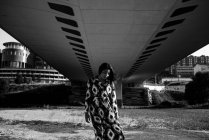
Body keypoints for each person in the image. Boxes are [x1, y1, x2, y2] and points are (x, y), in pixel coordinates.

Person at [84, 63, 125, 140]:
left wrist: (116, 113)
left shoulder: (110, 83)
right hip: (95, 111)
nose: (106, 75)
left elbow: (113, 99)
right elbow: (88, 97)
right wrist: (86, 112)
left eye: (108, 73)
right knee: (99, 133)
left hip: (108, 111)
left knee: (117, 131)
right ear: (100, 71)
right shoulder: (91, 81)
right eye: (104, 72)